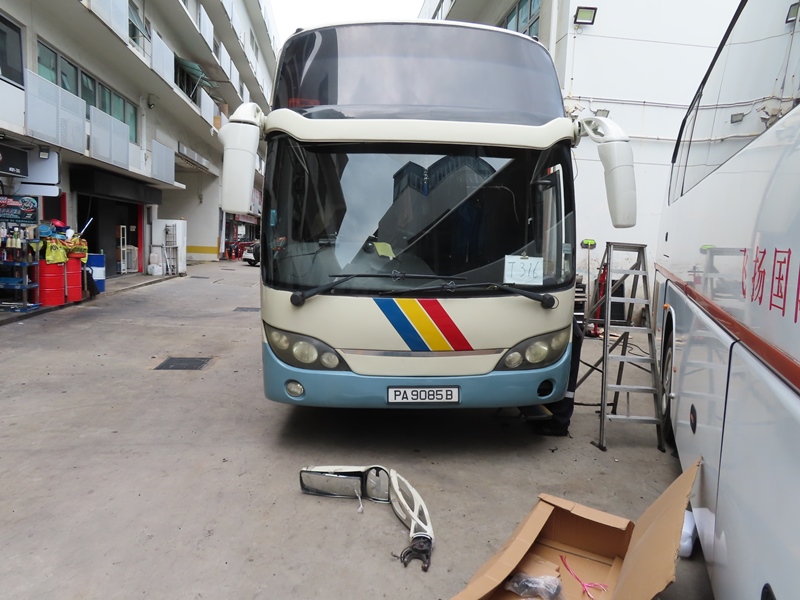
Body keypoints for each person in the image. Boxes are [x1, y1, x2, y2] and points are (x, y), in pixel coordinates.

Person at [530, 317, 584, 436]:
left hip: (565, 333)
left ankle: (558, 424)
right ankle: (548, 417)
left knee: (565, 382)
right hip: (557, 328)